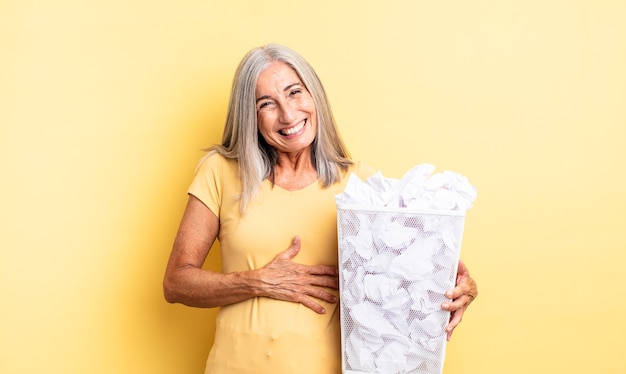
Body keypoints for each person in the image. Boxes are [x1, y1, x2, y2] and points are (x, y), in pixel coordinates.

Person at [163, 43, 478, 374]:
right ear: (250, 117)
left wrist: (460, 288)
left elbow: (411, 274)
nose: (288, 115)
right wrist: (258, 281)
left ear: (314, 95)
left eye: (295, 92)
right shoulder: (220, 172)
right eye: (266, 104)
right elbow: (176, 283)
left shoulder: (361, 186)